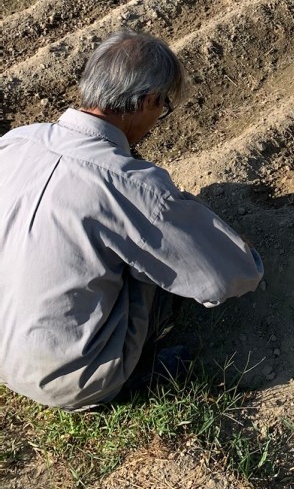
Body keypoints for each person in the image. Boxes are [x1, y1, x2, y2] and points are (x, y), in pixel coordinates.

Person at [0, 30, 264, 411]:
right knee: (150, 252)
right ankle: (134, 372)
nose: (159, 118)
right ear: (146, 101)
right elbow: (225, 278)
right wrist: (242, 254)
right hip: (68, 379)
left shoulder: (15, 142)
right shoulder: (133, 186)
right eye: (162, 106)